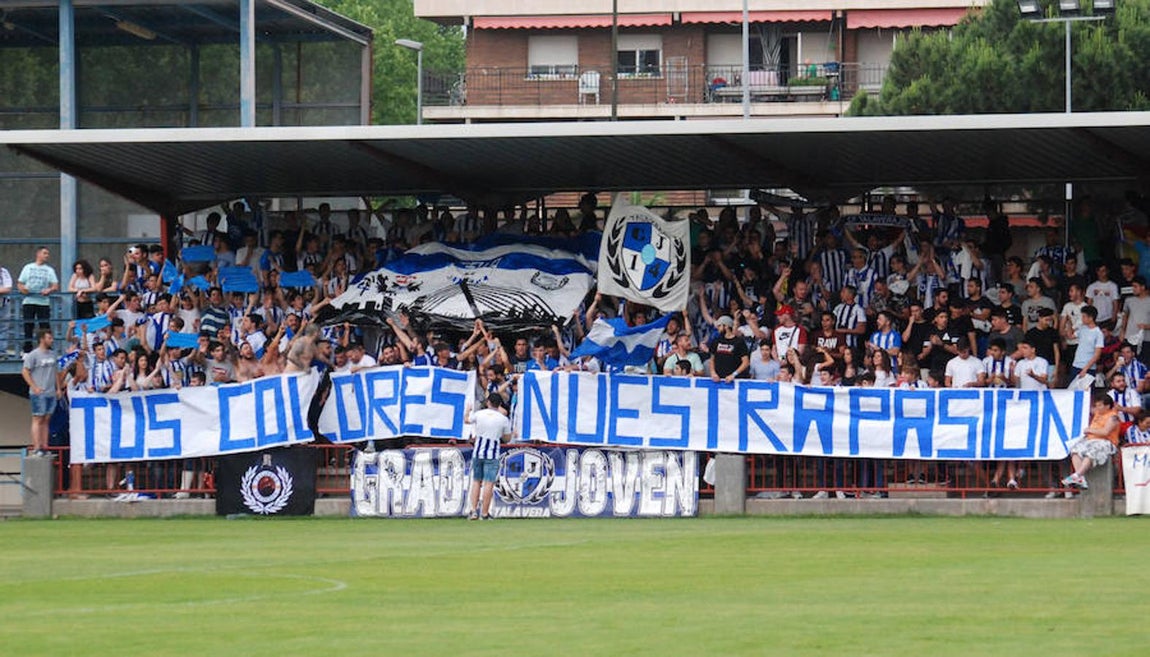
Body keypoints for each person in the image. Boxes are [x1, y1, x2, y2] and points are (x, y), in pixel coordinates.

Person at [467, 393, 512, 521]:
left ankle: (473, 511)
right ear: (499, 405)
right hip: (492, 453)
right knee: (489, 483)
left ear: (488, 402)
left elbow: (467, 420)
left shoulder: (480, 414)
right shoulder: (503, 419)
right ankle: (485, 513)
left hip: (478, 451)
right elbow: (507, 438)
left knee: (476, 481)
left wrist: (467, 410)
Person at [1060, 393, 1120, 490]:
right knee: (1074, 450)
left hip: (1106, 442)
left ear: (1107, 406)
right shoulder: (1097, 413)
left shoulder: (1113, 417)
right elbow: (1087, 406)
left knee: (1091, 452)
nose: (1097, 408)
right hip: (1090, 441)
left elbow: (1105, 432)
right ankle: (1080, 477)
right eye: (1096, 405)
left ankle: (1077, 475)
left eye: (1100, 405)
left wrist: (1090, 430)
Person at [22, 328, 59, 456]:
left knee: (46, 419)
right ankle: (37, 446)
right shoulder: (34, 355)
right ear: (42, 339)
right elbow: (25, 371)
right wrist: (34, 387)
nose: (51, 340)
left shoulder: (53, 354)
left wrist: (58, 388)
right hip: (39, 392)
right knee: (37, 418)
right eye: (49, 338)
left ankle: (44, 445)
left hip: (50, 391)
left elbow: (55, 372)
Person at [17, 246, 59, 354]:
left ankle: (47, 348)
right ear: (38, 254)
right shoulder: (28, 267)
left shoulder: (49, 270)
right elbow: (20, 283)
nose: (47, 256)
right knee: (28, 325)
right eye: (45, 253)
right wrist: (23, 290)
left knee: (44, 326)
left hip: (43, 302)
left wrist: (49, 290)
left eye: (47, 254)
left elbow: (55, 285)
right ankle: (27, 350)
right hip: (29, 301)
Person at [708, 315, 749, 382]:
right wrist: (713, 373)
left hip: (734, 380)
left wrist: (734, 375)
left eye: (719, 326)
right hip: (719, 379)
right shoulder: (716, 341)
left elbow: (746, 362)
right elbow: (712, 359)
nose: (718, 328)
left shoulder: (739, 342)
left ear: (726, 326)